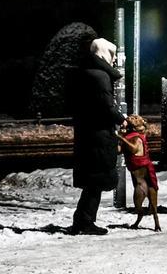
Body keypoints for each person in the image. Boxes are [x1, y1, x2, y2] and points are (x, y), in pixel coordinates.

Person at [68, 37, 126, 235]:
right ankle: (84, 221)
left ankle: (82, 220)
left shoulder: (85, 72)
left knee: (93, 181)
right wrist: (122, 119)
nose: (114, 61)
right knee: (96, 181)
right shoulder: (100, 76)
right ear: (104, 54)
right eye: (112, 55)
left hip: (88, 133)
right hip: (98, 135)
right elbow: (106, 106)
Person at [119, 114, 161, 232]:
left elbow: (134, 149)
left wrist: (120, 138)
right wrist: (120, 136)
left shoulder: (137, 136)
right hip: (137, 178)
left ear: (141, 123)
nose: (132, 118)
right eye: (131, 117)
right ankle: (139, 219)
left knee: (153, 204)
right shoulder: (130, 135)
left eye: (135, 118)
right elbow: (119, 150)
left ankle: (156, 222)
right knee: (138, 206)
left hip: (143, 176)